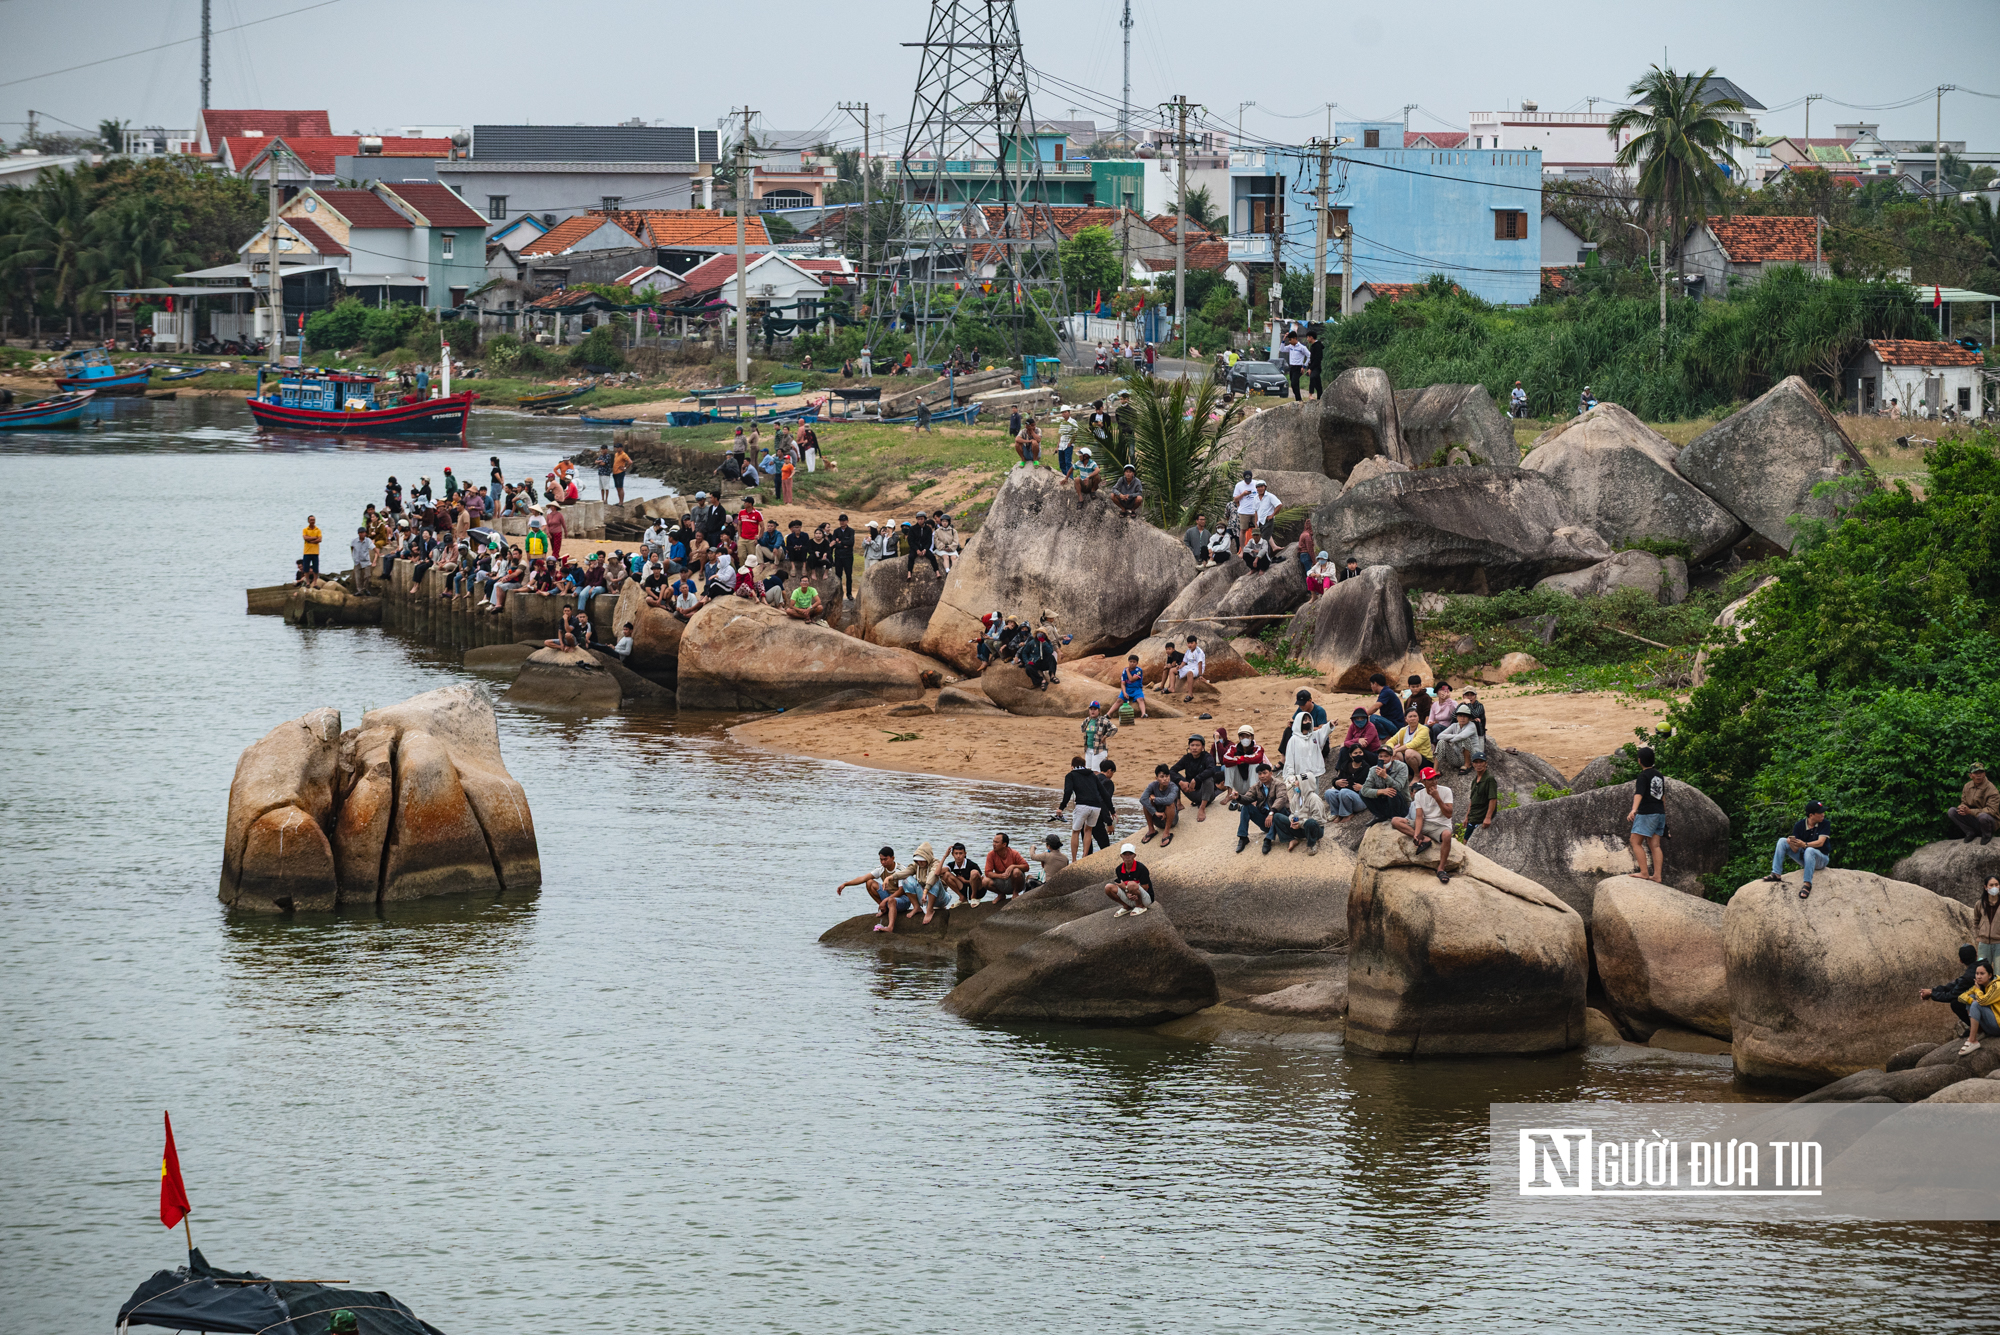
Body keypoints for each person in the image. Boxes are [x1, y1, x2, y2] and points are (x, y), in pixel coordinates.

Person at [1393, 767, 1456, 882]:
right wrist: (1417, 833)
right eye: (1430, 779)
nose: (1434, 781)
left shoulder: (1445, 791)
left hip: (1441, 825)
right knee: (1395, 821)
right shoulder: (1419, 795)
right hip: (1426, 823)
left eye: (1435, 778)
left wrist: (1437, 798)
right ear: (1423, 782)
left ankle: (1441, 869)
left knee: (1447, 835)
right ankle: (1424, 839)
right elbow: (1419, 816)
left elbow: (1448, 814)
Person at [1765, 800, 1832, 898]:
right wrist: (1791, 843)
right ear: (1811, 815)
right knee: (1782, 841)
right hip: (1805, 857)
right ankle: (1776, 873)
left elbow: (1820, 842)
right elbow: (1795, 850)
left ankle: (1807, 884)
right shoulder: (1799, 825)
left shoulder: (1825, 823)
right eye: (1820, 812)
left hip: (1821, 859)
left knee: (1809, 850)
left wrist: (1805, 844)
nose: (1823, 814)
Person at [1624, 746, 1668, 882]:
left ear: (1639, 761)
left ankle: (1644, 872)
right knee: (1655, 845)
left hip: (1647, 813)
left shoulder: (1643, 776)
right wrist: (1663, 813)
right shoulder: (1659, 775)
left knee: (1635, 841)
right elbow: (1662, 796)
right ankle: (1657, 875)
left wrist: (1633, 809)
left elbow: (1639, 793)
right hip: (1659, 812)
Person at [1921, 944, 1985, 1038]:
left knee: (1956, 1003)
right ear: (1976, 956)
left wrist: (1931, 994)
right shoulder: (1981, 965)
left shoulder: (1970, 975)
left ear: (1960, 961)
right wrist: (1933, 990)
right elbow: (1956, 984)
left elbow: (1951, 995)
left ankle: (1979, 1027)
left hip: (1986, 1006)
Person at [1056, 755, 1106, 863]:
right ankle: (1084, 857)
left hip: (1082, 805)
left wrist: (1061, 808)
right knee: (1088, 830)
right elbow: (1103, 792)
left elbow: (1068, 792)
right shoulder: (1092, 775)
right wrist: (1112, 810)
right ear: (1084, 765)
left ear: (1072, 766)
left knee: (1076, 832)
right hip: (1096, 807)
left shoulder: (1071, 775)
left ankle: (1074, 860)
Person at [1235, 763, 1289, 854]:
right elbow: (1248, 798)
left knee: (1281, 810)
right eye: (1260, 774)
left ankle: (1268, 839)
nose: (1262, 776)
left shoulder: (1279, 784)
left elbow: (1281, 799)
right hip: (1266, 821)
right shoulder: (1256, 786)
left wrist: (1272, 813)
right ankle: (1243, 837)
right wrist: (1239, 797)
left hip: (1278, 820)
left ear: (1271, 773)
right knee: (1246, 807)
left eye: (1265, 773)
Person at [1169, 733, 1222, 822]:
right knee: (1173, 777)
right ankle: (1178, 803)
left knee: (1208, 779)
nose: (1194, 748)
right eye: (1192, 745)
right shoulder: (1187, 758)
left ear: (1203, 747)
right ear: (1189, 747)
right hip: (1190, 791)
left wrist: (1196, 779)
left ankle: (1202, 808)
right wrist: (1181, 782)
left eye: (1197, 745)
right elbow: (1172, 770)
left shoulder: (1207, 757)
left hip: (1207, 794)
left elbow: (1212, 769)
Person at [1948, 761, 1999, 845]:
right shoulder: (1967, 786)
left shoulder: (1992, 790)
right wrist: (1962, 807)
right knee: (1952, 811)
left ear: (1984, 774)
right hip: (1973, 819)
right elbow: (1964, 802)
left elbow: (1991, 810)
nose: (1978, 775)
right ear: (1970, 775)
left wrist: (1970, 811)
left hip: (1988, 822)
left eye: (1981, 772)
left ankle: (1986, 835)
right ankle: (1970, 832)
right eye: (1975, 773)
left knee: (1983, 816)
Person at [1957, 962, 2000, 1055]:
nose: (1979, 977)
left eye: (1982, 974)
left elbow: (1983, 1002)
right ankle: (1978, 1030)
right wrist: (1971, 1000)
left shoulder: (1997, 986)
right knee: (1972, 998)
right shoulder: (1980, 986)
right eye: (1977, 974)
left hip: (1998, 1026)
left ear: (1990, 975)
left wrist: (1977, 991)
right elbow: (1961, 997)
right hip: (1990, 1025)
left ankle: (1972, 1040)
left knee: (1977, 1004)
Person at [1358, 750, 1411, 825]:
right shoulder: (1373, 770)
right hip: (1384, 802)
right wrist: (1382, 791)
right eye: (1381, 756)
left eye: (1386, 756)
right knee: (1361, 792)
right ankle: (1379, 815)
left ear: (1392, 758)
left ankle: (1396, 818)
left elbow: (1399, 786)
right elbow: (1365, 790)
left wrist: (1385, 776)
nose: (1383, 759)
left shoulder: (1402, 767)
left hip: (1400, 803)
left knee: (1392, 791)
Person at [1460, 751, 1500, 847]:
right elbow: (1472, 800)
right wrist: (1467, 817)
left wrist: (1488, 817)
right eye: (1476, 762)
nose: (1479, 764)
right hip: (1473, 816)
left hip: (1481, 818)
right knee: (1465, 841)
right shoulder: (1475, 780)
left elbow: (1493, 799)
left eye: (1481, 762)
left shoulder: (1489, 779)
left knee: (1475, 844)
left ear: (1485, 763)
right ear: (1473, 764)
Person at [1103, 843, 1154, 915]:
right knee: (1108, 887)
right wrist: (1127, 893)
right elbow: (1121, 885)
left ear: (1134, 855)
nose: (1128, 856)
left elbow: (1145, 888)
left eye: (1130, 854)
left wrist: (1129, 890)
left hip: (1145, 898)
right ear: (1121, 856)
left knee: (1131, 884)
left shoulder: (1141, 868)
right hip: (1130, 896)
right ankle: (1127, 906)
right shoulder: (1119, 869)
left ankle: (1140, 906)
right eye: (1125, 854)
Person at [1220, 725, 1265, 804]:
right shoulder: (1233, 748)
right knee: (1228, 766)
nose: (1245, 739)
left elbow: (1257, 758)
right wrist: (1245, 759)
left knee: (1254, 765)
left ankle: (1253, 795)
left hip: (1253, 783)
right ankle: (1229, 794)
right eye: (1242, 736)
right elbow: (1225, 759)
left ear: (1252, 737)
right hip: (1240, 783)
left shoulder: (1258, 748)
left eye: (1247, 736)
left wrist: (1240, 759)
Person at [1140, 764, 1181, 846]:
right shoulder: (1152, 785)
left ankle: (1166, 832)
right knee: (1147, 803)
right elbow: (1142, 799)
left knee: (1170, 804)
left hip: (1171, 820)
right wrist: (1155, 812)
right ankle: (1151, 830)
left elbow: (1169, 800)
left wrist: (1155, 799)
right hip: (1158, 817)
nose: (1165, 779)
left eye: (1167, 776)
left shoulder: (1173, 787)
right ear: (1157, 778)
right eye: (1162, 777)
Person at [1367, 671, 1405, 738]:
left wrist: (1363, 714)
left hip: (1396, 726)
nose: (1371, 687)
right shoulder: (1386, 691)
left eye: (1371, 684)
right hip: (1392, 724)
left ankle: (1386, 737)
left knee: (1374, 718)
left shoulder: (1386, 692)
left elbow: (1376, 706)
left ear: (1375, 683)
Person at [1081, 702, 1116, 774]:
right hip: (1088, 749)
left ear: (1099, 711)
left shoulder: (1103, 720)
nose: (1092, 711)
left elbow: (1114, 728)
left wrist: (1105, 736)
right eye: (1091, 709)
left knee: (1097, 772)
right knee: (1088, 771)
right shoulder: (1087, 720)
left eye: (1095, 709)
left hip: (1099, 750)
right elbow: (1082, 727)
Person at [1974, 875, 2000, 970]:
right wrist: (1978, 936)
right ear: (1985, 887)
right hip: (1984, 945)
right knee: (1982, 971)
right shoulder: (1979, 904)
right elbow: (1976, 921)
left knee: (1999, 974)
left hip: (1999, 943)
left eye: (1997, 884)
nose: (1994, 887)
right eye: (1991, 885)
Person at [1174, 635, 1207, 702]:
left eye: (1192, 643)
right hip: (1189, 667)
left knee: (1190, 673)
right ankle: (1171, 688)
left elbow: (1200, 663)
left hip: (1197, 668)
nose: (1190, 645)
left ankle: (1190, 694)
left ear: (1196, 643)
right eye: (1188, 643)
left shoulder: (1199, 652)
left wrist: (1200, 675)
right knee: (1172, 670)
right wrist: (1180, 666)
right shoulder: (1188, 651)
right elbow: (1184, 661)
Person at [905, 512, 938, 580]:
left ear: (925, 519)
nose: (920, 521)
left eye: (921, 519)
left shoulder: (928, 529)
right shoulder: (912, 528)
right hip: (915, 548)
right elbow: (910, 541)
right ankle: (909, 573)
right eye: (918, 519)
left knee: (932, 557)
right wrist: (916, 549)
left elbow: (929, 541)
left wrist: (925, 549)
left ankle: (937, 571)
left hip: (924, 547)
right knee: (911, 557)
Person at [1117, 653, 1148, 719]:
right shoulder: (1124, 671)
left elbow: (1131, 679)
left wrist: (1128, 671)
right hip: (1127, 688)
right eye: (1130, 662)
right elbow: (1123, 683)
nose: (1132, 663)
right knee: (1119, 700)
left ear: (1137, 663)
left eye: (1134, 662)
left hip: (1136, 689)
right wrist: (1124, 692)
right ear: (1128, 662)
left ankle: (1143, 713)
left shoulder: (1138, 670)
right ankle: (1108, 714)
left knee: (1140, 699)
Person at [1281, 331, 1307, 400]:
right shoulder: (1290, 347)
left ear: (1295, 338)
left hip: (1298, 367)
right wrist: (1284, 339)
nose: (1289, 341)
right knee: (1294, 385)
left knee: (1294, 383)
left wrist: (1304, 366)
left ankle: (1299, 399)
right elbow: (1282, 349)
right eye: (1288, 340)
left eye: (1290, 340)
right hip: (1292, 367)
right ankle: (1298, 399)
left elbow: (1309, 356)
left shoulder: (1302, 347)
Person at [349, 526, 377, 592]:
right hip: (357, 560)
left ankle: (365, 588)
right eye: (361, 533)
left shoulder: (368, 541)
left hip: (366, 560)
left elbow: (373, 548)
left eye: (363, 533)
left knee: (367, 576)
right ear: (358, 534)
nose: (362, 534)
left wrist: (378, 553)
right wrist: (353, 556)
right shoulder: (354, 541)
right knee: (357, 577)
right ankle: (359, 590)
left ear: (365, 533)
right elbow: (352, 548)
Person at [1056, 407, 1076, 476]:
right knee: (1061, 463)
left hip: (1068, 445)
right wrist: (1057, 446)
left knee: (1068, 462)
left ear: (1069, 412)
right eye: (1062, 413)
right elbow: (1060, 435)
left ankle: (1070, 478)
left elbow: (1075, 433)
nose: (1063, 414)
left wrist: (1070, 442)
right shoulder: (1062, 423)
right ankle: (1064, 476)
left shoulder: (1073, 422)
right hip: (1061, 445)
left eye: (1065, 412)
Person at [1306, 328, 1325, 399]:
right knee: (1318, 385)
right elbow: (1312, 359)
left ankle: (1310, 394)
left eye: (1308, 337)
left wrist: (1311, 368)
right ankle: (1320, 398)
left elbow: (1318, 359)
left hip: (1316, 367)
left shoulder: (1317, 346)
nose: (1307, 339)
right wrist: (1309, 368)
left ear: (1311, 337)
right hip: (1313, 366)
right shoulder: (1313, 346)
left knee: (1313, 377)